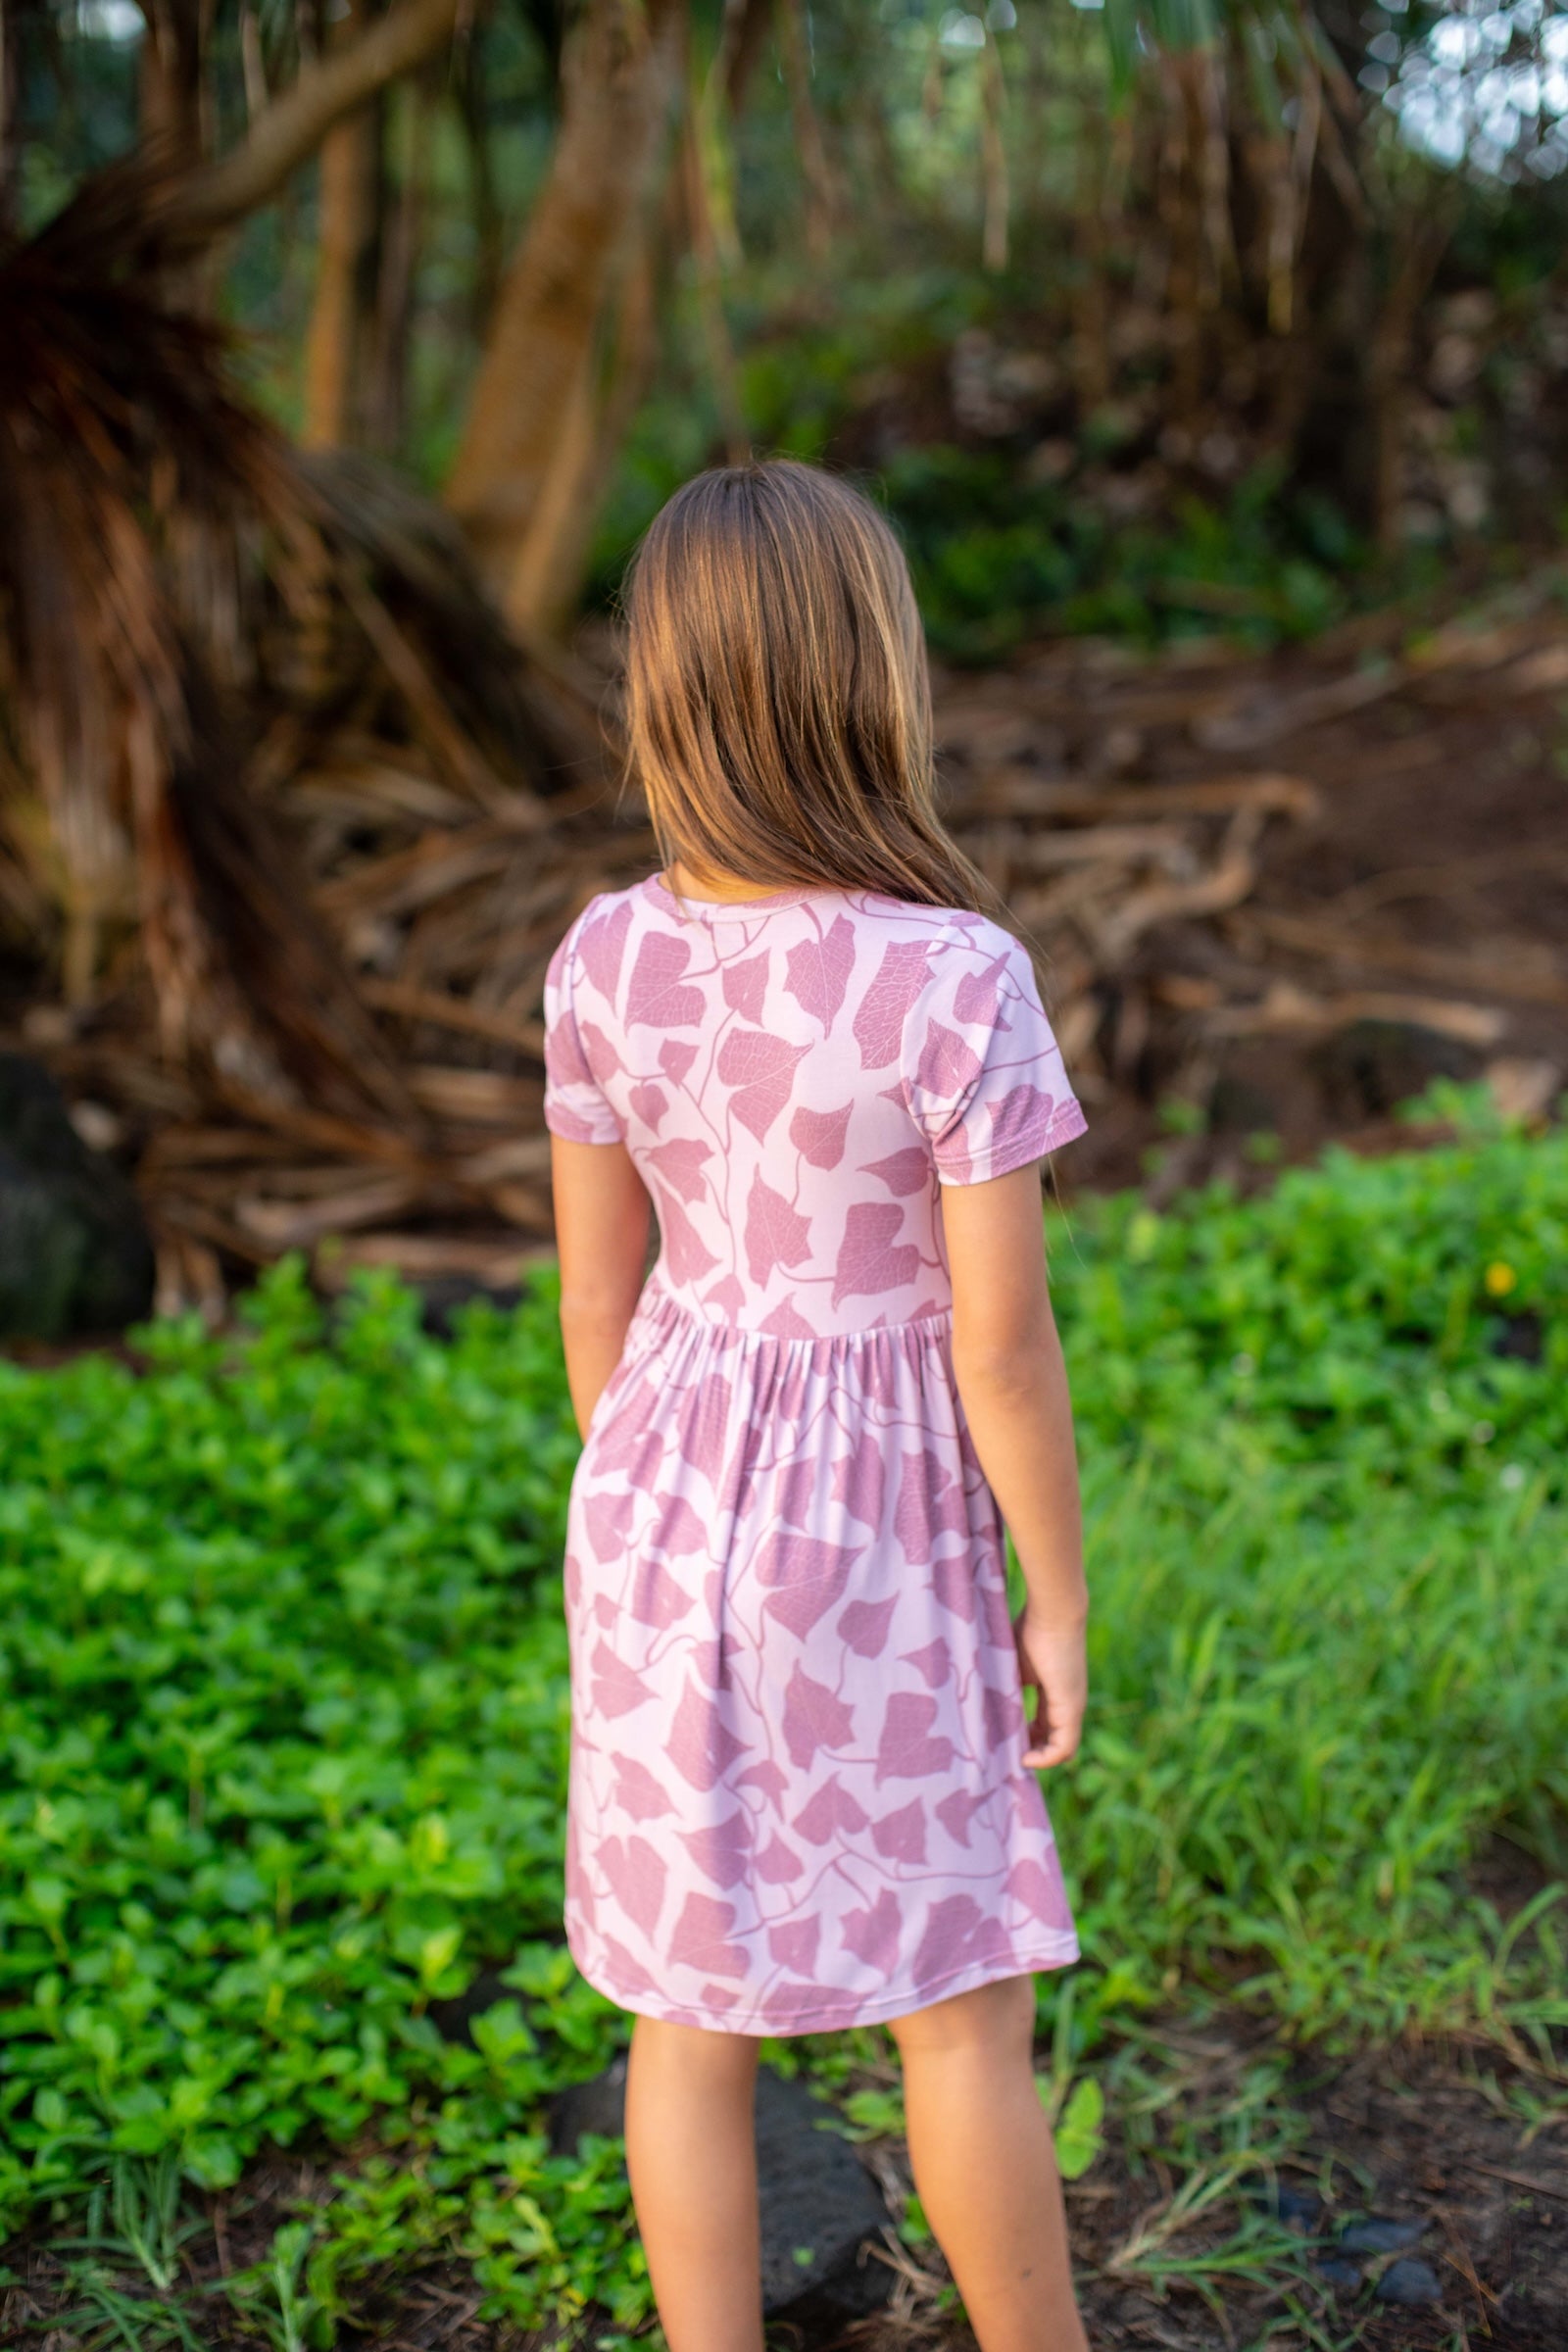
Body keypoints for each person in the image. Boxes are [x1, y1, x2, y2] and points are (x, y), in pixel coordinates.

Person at [544, 459, 1091, 2352]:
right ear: (874, 675)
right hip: (881, 1534)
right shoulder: (957, 980)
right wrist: (1054, 1598)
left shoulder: (606, 957)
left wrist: (658, 1514)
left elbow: (594, 1296)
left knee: (686, 2016)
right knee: (962, 2010)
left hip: (658, 1498)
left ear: (662, 690)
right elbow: (999, 1347)